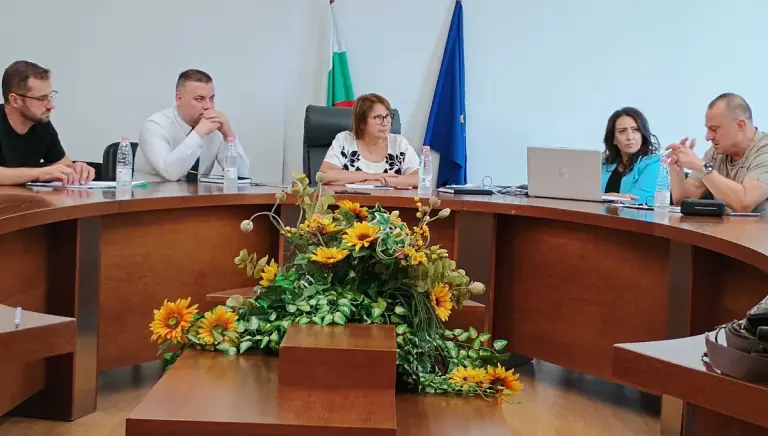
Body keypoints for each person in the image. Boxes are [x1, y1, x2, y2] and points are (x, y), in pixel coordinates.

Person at [135, 69, 250, 182]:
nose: (208, 106)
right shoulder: (155, 126)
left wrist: (228, 135)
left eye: (211, 99)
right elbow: (170, 173)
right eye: (199, 99)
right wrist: (199, 133)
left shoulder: (215, 127)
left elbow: (242, 175)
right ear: (179, 99)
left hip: (197, 194)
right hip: (152, 192)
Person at [666, 93, 768, 214]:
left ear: (740, 125)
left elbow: (744, 203)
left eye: (714, 129)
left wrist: (701, 167)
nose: (708, 137)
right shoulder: (717, 152)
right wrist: (677, 168)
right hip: (725, 226)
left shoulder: (764, 150)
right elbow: (683, 199)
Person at [0, 60, 95, 186]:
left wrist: (76, 169)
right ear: (15, 100)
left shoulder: (42, 124)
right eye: (41, 98)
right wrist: (39, 173)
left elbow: (63, 165)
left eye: (50, 96)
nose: (51, 106)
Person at [319, 93, 420, 187]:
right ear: (361, 123)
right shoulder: (344, 140)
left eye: (387, 116)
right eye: (378, 117)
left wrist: (383, 182)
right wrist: (368, 176)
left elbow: (421, 178)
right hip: (350, 200)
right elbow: (323, 176)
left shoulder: (398, 143)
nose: (385, 123)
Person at [600, 107, 661, 203]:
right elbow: (585, 196)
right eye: (622, 131)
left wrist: (603, 197)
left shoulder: (653, 162)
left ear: (642, 134)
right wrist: (608, 196)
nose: (630, 137)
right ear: (613, 139)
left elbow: (638, 199)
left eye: (635, 130)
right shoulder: (604, 165)